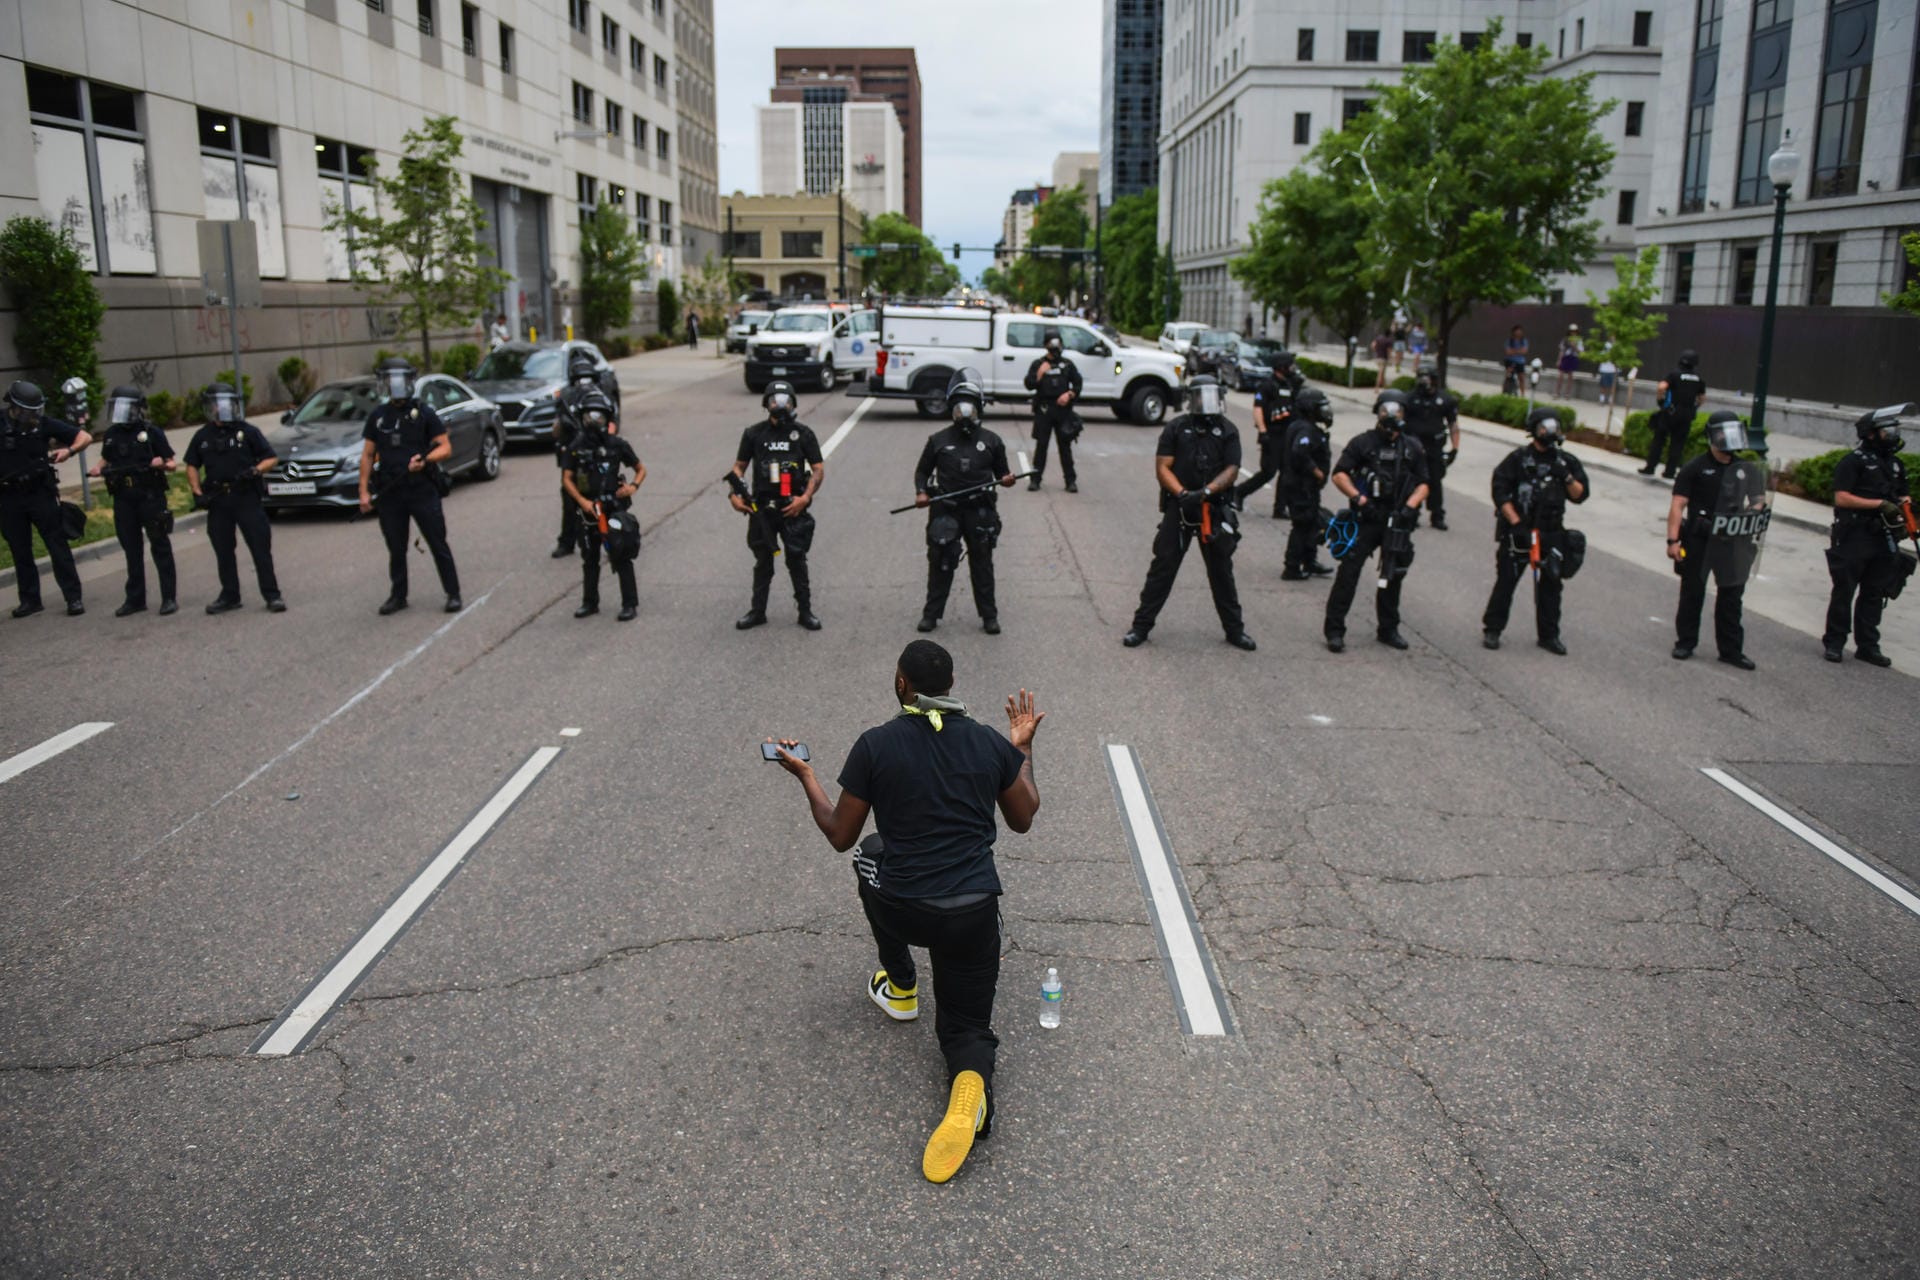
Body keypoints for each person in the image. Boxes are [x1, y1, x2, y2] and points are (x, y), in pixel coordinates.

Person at [767, 641, 1043, 1184]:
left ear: (901, 686)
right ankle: (969, 1084)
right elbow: (1024, 817)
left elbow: (841, 835)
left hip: (906, 908)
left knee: (870, 859)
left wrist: (806, 777)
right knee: (966, 1026)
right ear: (953, 684)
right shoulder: (990, 743)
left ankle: (900, 985)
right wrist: (1023, 749)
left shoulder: (876, 745)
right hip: (971, 913)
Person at [1121, 375, 1255, 650]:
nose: (1206, 402)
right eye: (1200, 396)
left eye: (1211, 395)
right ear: (1191, 398)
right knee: (1162, 568)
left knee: (1222, 573)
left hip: (1213, 509)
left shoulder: (1227, 429)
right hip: (1180, 507)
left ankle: (1234, 630)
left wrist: (1206, 493)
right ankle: (1141, 627)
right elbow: (1162, 467)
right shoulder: (1176, 427)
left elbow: (1232, 469)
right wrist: (1183, 494)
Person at [1323, 390, 1430, 652]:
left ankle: (1388, 629)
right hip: (1367, 517)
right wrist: (1360, 499)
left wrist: (1408, 507)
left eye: (1397, 410)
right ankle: (1334, 630)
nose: (1392, 415)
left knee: (1392, 574)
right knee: (1348, 573)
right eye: (1386, 410)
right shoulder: (1363, 443)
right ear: (1377, 412)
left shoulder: (1412, 446)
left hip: (1397, 520)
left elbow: (1425, 483)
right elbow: (1339, 474)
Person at [357, 357, 462, 615]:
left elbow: (445, 447)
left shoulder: (424, 413)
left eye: (400, 381)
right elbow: (368, 455)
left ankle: (453, 593)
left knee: (438, 542)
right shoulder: (378, 417)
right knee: (396, 547)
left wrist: (425, 460)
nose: (396, 386)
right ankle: (398, 595)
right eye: (390, 381)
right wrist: (363, 491)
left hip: (421, 489)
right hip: (391, 492)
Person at [1481, 408, 1590, 655]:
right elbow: (1500, 491)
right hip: (1520, 531)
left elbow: (1580, 495)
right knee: (1506, 581)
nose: (1550, 432)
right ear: (1534, 430)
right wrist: (1516, 523)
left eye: (1554, 427)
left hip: (1551, 532)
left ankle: (1549, 635)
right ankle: (1493, 628)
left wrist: (1568, 478)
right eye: (1544, 427)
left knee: (1551, 585)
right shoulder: (1517, 460)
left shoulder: (1566, 462)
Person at [914, 373, 1016, 635]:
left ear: (978, 408)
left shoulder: (992, 441)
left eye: (969, 407)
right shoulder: (938, 440)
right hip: (945, 508)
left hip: (979, 510)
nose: (964, 413)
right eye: (959, 408)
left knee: (982, 564)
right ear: (952, 409)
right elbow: (922, 472)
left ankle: (989, 616)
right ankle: (931, 615)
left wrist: (1006, 480)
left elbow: (1002, 473)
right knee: (941, 562)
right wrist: (921, 492)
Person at [1666, 410, 1759, 669]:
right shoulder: (1695, 468)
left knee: (1731, 597)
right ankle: (1685, 642)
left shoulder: (1745, 469)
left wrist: (1753, 514)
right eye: (1723, 433)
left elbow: (1758, 501)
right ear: (1713, 436)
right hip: (1699, 539)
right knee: (1692, 592)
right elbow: (1678, 505)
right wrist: (1672, 541)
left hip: (1732, 541)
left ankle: (1730, 650)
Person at [1822, 404, 1913, 667]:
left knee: (1875, 592)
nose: (1893, 434)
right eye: (1887, 430)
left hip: (1884, 537)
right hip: (1855, 534)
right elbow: (1841, 497)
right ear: (1870, 433)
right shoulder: (1853, 461)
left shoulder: (1895, 464)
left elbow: (1903, 494)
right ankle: (1834, 642)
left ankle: (1867, 645)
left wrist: (1906, 511)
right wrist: (1877, 505)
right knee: (1844, 590)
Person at [730, 380, 823, 630]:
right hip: (761, 510)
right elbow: (739, 467)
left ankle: (805, 612)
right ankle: (757, 611)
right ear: (766, 404)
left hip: (793, 508)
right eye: (774, 400)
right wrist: (734, 494)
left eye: (785, 401)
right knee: (763, 561)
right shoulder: (753, 433)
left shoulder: (803, 434)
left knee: (797, 560)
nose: (779, 405)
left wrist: (804, 499)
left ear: (793, 403)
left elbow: (818, 469)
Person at [185, 384, 284, 614]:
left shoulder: (247, 431)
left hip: (246, 497)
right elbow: (191, 465)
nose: (221, 410)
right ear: (209, 408)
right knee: (223, 550)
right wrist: (197, 491)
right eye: (216, 405)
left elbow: (271, 458)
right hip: (219, 500)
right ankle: (230, 595)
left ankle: (272, 595)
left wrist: (256, 470)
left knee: (260, 548)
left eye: (226, 405)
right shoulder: (203, 435)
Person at [0, 380, 90, 618]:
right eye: (29, 411)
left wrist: (69, 451)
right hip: (9, 497)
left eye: (36, 410)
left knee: (56, 545)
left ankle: (73, 598)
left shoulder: (43, 424)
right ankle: (30, 600)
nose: (33, 415)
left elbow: (85, 437)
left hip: (40, 493)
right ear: (14, 407)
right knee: (20, 550)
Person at [88, 386, 178, 617]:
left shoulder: (151, 432)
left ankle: (168, 597)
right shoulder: (112, 434)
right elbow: (106, 458)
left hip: (150, 497)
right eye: (117, 407)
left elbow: (171, 463)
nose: (121, 412)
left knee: (159, 545)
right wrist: (97, 468)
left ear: (138, 409)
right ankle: (135, 599)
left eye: (126, 407)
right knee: (131, 549)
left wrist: (162, 463)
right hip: (123, 499)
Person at [561, 388, 644, 621]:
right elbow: (567, 478)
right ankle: (590, 602)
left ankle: (629, 604)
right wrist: (582, 501)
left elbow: (640, 469)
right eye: (589, 416)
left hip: (613, 510)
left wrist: (633, 487)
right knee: (590, 558)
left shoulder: (618, 445)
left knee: (621, 555)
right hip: (588, 512)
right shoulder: (576, 447)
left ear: (608, 418)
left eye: (599, 416)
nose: (594, 421)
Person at [551, 348, 608, 559]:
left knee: (600, 497)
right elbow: (557, 429)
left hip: (589, 454)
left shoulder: (592, 395)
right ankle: (568, 541)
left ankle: (607, 538)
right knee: (572, 496)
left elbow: (608, 424)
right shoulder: (591, 394)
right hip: (577, 455)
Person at [1277, 387, 1336, 580]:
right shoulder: (1305, 429)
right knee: (1302, 525)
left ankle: (1310, 561)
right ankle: (1292, 567)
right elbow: (1299, 453)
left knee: (1311, 524)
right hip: (1300, 487)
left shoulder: (1305, 426)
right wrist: (1317, 472)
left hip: (1306, 488)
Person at [1231, 353, 1298, 518]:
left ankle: (1280, 508)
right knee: (1268, 471)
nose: (1292, 367)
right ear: (1281, 366)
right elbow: (1258, 408)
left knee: (1287, 472)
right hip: (1272, 434)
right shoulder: (1267, 385)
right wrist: (1263, 431)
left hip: (1287, 435)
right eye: (1290, 364)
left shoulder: (1290, 385)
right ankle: (1239, 493)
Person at [1403, 363, 1460, 530]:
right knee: (1412, 481)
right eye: (1421, 377)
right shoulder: (1409, 398)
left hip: (1434, 448)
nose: (1423, 381)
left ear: (1435, 380)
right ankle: (1412, 513)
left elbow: (1453, 425)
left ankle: (1437, 516)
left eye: (1427, 378)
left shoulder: (1445, 400)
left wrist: (1454, 449)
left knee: (1435, 482)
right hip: (1413, 448)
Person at [1024, 331, 1082, 493]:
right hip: (1044, 410)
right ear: (1046, 346)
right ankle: (1035, 479)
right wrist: (1040, 374)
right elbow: (1029, 384)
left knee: (1065, 447)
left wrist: (1069, 394)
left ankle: (1070, 480)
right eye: (1052, 347)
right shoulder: (1038, 364)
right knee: (1041, 446)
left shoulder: (1067, 364)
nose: (1055, 351)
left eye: (1058, 346)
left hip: (1063, 410)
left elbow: (1078, 384)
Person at [1643, 350, 1706, 480]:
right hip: (1687, 415)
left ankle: (1650, 468)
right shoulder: (1698, 378)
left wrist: (1660, 401)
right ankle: (1670, 472)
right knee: (1677, 444)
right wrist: (1694, 407)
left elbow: (1661, 387)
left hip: (1670, 413)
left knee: (1659, 440)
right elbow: (1702, 398)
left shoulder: (1674, 374)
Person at [1553, 325, 1581, 398]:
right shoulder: (1565, 339)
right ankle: (1557, 392)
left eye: (1574, 331)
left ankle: (1567, 393)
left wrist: (1574, 346)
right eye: (1572, 331)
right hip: (1565, 357)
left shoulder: (1579, 340)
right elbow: (1562, 351)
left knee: (1570, 376)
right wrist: (1559, 360)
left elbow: (1580, 352)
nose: (1573, 333)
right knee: (1561, 376)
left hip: (1573, 357)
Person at [1502, 326, 1530, 396]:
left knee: (1521, 378)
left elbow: (1524, 351)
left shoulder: (1524, 341)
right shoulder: (1509, 341)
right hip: (1510, 361)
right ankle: (1503, 392)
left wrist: (1513, 351)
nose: (1518, 332)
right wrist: (1519, 351)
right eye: (1517, 331)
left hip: (1520, 362)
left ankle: (1522, 395)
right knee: (1508, 376)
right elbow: (1508, 352)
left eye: (1520, 331)